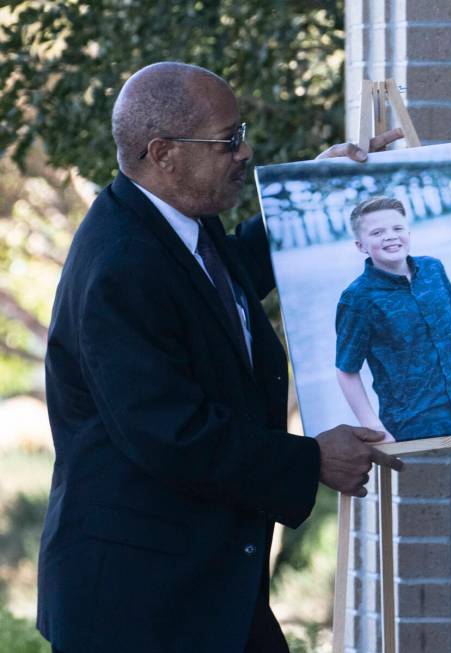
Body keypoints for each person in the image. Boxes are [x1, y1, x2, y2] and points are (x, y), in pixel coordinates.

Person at [37, 62, 404, 653]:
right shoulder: (121, 264)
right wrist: (310, 460)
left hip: (196, 589)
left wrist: (316, 189)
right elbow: (170, 433)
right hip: (139, 607)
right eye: (228, 140)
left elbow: (225, 282)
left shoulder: (172, 223)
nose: (245, 151)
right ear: (164, 153)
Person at [335, 196, 451, 442]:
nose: (390, 236)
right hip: (412, 426)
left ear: (408, 232)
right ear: (360, 245)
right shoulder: (357, 298)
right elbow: (346, 370)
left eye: (397, 228)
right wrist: (375, 429)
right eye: (377, 232)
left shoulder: (434, 269)